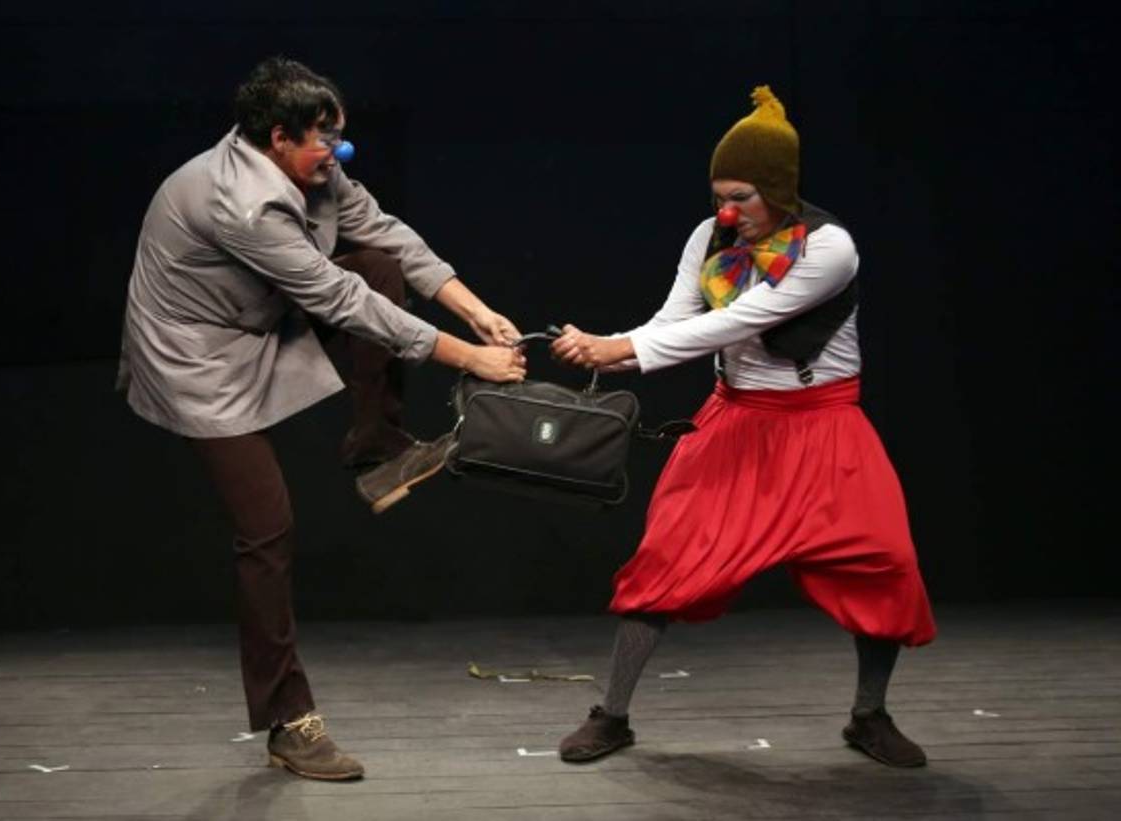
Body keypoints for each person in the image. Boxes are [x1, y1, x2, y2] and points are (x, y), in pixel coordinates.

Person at [116, 56, 525, 780]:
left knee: (381, 268)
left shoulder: (311, 166)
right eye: (325, 140)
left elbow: (386, 234)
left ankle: (378, 448)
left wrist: (476, 310)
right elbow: (337, 298)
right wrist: (469, 358)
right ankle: (288, 721)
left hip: (254, 316)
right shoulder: (239, 202)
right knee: (266, 527)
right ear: (279, 136)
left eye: (340, 138)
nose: (339, 153)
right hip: (196, 358)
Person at [550, 86, 936, 769]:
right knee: (667, 560)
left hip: (823, 427)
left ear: (780, 190)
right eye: (719, 196)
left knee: (883, 563)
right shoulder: (710, 237)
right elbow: (675, 321)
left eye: (743, 197)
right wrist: (605, 348)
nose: (728, 212)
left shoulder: (830, 248)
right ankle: (611, 715)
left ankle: (869, 716)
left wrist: (619, 350)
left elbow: (737, 321)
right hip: (736, 424)